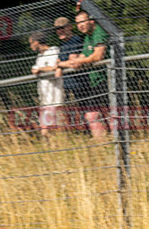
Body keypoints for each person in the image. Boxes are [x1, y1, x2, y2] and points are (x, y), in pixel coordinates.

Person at [63, 10, 109, 138]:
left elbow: (98, 56)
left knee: (109, 113)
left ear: (91, 21)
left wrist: (79, 60)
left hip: (108, 78)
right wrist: (74, 62)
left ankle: (118, 142)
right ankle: (102, 143)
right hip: (95, 81)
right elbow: (83, 56)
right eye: (78, 23)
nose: (80, 25)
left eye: (83, 21)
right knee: (92, 114)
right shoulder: (88, 37)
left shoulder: (99, 32)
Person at [29, 31, 63, 137]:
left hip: (54, 95)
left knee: (56, 125)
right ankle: (47, 146)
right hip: (44, 97)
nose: (30, 46)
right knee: (44, 126)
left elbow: (53, 67)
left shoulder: (53, 50)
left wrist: (39, 69)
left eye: (31, 43)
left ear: (36, 42)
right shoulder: (40, 56)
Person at [52, 16, 84, 117]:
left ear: (70, 27)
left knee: (85, 112)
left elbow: (72, 62)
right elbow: (59, 62)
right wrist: (59, 65)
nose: (59, 31)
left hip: (79, 85)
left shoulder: (75, 40)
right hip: (68, 85)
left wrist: (59, 65)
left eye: (62, 28)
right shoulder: (63, 45)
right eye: (57, 29)